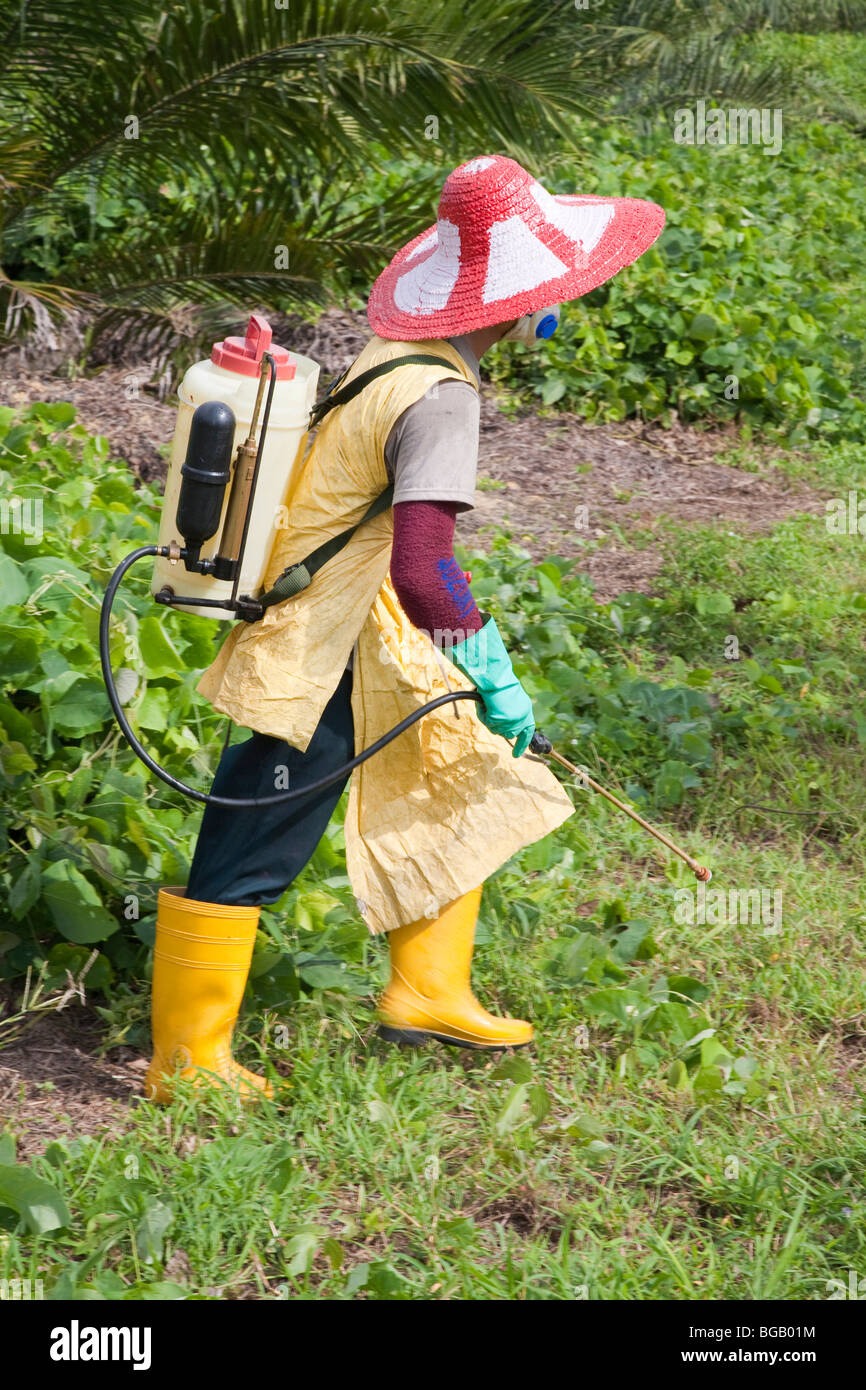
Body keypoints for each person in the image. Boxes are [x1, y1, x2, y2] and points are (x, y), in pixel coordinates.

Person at [144, 154, 665, 1102]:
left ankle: (428, 990)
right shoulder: (445, 395)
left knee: (457, 767)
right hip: (326, 638)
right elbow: (425, 567)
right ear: (535, 303)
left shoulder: (402, 358)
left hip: (363, 618)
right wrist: (490, 664)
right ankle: (186, 1059)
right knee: (259, 826)